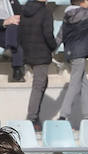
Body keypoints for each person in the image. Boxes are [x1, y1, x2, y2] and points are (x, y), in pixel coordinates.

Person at [19, 0, 57, 130]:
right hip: (41, 53)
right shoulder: (46, 12)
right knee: (38, 85)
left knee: (42, 83)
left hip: (28, 51)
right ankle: (31, 119)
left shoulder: (24, 10)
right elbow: (48, 34)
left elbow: (20, 32)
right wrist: (53, 46)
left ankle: (36, 118)